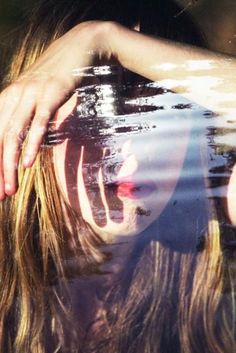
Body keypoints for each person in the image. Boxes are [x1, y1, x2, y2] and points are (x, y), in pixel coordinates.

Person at [0, 1, 235, 352]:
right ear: (30, 112)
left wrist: (102, 39)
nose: (133, 151)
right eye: (99, 108)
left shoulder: (213, 247)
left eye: (165, 109)